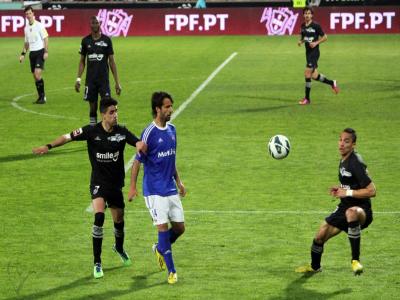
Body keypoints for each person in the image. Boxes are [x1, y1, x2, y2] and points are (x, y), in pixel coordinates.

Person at [32, 97, 146, 279]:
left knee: (119, 222)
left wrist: (140, 144)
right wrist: (48, 146)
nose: (115, 115)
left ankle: (119, 247)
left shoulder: (122, 132)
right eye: (111, 112)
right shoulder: (91, 131)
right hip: (99, 183)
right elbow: (67, 137)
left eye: (116, 111)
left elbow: (138, 142)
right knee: (99, 217)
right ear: (103, 115)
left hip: (115, 185)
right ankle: (97, 262)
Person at [296, 128, 376, 275]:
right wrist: (341, 189)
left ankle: (355, 261)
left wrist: (347, 192)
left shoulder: (355, 163)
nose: (341, 144)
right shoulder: (344, 158)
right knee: (320, 235)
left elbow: (372, 191)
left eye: (346, 141)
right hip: (344, 205)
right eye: (340, 140)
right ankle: (315, 267)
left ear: (353, 145)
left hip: (361, 210)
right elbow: (352, 184)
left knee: (351, 213)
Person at [128, 91, 186, 285]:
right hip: (153, 190)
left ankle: (160, 248)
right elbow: (137, 162)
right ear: (157, 109)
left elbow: (172, 158)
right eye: (167, 107)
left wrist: (179, 182)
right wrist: (132, 187)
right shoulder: (149, 133)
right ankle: (172, 271)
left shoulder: (172, 130)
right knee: (162, 229)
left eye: (171, 106)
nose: (171, 110)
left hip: (169, 187)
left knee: (179, 228)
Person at [75, 16, 122, 125]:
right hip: (90, 81)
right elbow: (82, 61)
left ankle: (107, 128)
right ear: (90, 25)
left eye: (97, 23)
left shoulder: (106, 40)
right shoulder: (85, 41)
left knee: (107, 106)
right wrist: (78, 79)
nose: (95, 25)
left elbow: (112, 62)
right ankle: (93, 129)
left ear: (100, 24)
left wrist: (117, 82)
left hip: (103, 80)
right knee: (92, 108)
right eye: (93, 23)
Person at [297, 7, 339, 105]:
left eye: (309, 13)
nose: (307, 15)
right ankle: (332, 83)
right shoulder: (303, 25)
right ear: (303, 15)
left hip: (314, 53)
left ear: (312, 15)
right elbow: (304, 37)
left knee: (307, 73)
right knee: (314, 76)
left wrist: (316, 43)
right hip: (308, 53)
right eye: (305, 13)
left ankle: (307, 99)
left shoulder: (316, 26)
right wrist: (301, 41)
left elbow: (325, 37)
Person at [19, 5, 49, 104]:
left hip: (40, 52)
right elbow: (26, 43)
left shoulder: (39, 25)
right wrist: (23, 54)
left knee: (37, 74)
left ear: (33, 14)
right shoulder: (26, 28)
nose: (28, 15)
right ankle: (41, 97)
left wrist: (46, 51)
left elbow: (46, 38)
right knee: (35, 77)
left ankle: (42, 96)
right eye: (26, 14)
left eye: (30, 13)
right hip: (32, 54)